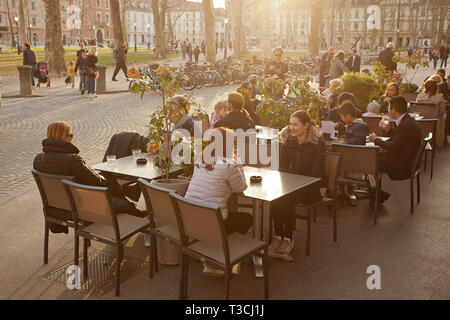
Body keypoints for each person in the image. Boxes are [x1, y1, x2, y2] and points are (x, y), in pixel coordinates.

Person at [33, 121, 145, 232]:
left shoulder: (38, 160)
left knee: (106, 177)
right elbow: (97, 183)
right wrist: (100, 177)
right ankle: (133, 209)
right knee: (108, 179)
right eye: (70, 135)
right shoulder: (72, 160)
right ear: (64, 138)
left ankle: (130, 202)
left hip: (57, 209)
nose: (72, 138)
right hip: (83, 207)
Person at [185, 127, 252, 276]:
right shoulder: (230, 164)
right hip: (213, 224)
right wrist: (237, 163)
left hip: (190, 220)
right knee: (247, 218)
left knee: (225, 212)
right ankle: (218, 256)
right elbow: (241, 187)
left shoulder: (199, 157)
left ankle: (209, 251)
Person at [269, 111, 325, 259]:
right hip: (290, 185)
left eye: (295, 124)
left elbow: (317, 173)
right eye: (290, 124)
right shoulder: (288, 142)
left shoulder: (317, 144)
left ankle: (288, 238)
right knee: (275, 197)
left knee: (285, 198)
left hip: (310, 188)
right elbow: (282, 168)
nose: (291, 128)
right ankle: (279, 236)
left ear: (306, 125)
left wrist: (293, 184)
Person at [368, 96, 422, 202]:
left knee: (369, 162)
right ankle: (376, 193)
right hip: (408, 161)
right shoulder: (409, 121)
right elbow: (401, 140)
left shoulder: (404, 125)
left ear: (394, 110)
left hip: (401, 166)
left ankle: (376, 194)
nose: (389, 111)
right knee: (373, 160)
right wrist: (389, 130)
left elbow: (392, 147)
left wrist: (375, 140)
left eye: (389, 109)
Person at [416, 79, 446, 148]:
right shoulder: (440, 96)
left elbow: (416, 109)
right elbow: (442, 112)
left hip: (422, 120)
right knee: (442, 118)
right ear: (436, 88)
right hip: (434, 121)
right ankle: (439, 142)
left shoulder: (420, 96)